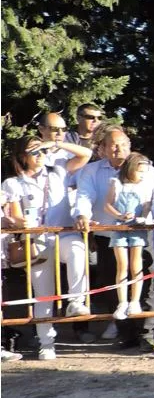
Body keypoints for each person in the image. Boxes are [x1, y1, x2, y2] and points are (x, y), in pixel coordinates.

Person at [74, 125, 154, 350]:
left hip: (139, 232)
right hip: (107, 234)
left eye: (125, 144)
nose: (120, 149)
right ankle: (126, 332)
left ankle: (146, 332)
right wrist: (81, 214)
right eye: (114, 145)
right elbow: (84, 196)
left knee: (143, 280)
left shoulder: (146, 168)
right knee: (113, 281)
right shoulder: (92, 171)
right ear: (103, 149)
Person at [2, 134, 93, 360]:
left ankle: (76, 301)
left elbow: (86, 154)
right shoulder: (14, 183)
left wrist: (54, 144)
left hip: (62, 233)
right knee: (44, 293)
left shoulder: (59, 170)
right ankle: (46, 343)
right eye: (34, 152)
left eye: (41, 151)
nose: (40, 155)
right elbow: (13, 215)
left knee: (77, 249)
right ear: (23, 156)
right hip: (36, 241)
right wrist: (18, 222)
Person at [104, 152, 154, 321]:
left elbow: (147, 205)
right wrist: (119, 216)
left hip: (137, 228)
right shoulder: (116, 183)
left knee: (136, 265)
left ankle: (135, 301)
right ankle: (122, 301)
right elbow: (108, 205)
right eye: (140, 171)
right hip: (120, 227)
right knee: (122, 265)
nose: (142, 175)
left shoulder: (144, 186)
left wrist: (144, 216)